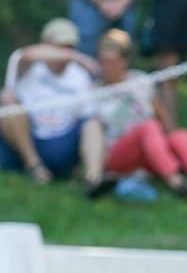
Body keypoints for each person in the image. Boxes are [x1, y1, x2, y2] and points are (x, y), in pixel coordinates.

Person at [94, 30, 187, 195]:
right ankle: (176, 183)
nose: (105, 66)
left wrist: (172, 139)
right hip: (118, 154)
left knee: (179, 136)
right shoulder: (95, 90)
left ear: (124, 61)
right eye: (103, 61)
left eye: (111, 62)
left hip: (152, 150)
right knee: (148, 127)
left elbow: (162, 114)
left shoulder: (140, 81)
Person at [0, 18, 110, 195]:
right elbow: (26, 54)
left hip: (61, 142)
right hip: (25, 138)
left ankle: (94, 179)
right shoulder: (27, 65)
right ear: (45, 44)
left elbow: (89, 115)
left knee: (93, 123)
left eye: (70, 46)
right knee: (9, 104)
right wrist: (76, 56)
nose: (66, 53)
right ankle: (35, 167)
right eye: (61, 46)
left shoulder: (80, 75)